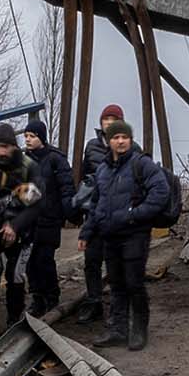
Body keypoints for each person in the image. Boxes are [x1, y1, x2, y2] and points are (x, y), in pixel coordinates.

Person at [84, 119, 168, 351]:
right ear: (108, 141)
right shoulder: (102, 170)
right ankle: (117, 330)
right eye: (115, 137)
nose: (120, 141)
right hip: (110, 236)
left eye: (124, 137)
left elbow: (160, 192)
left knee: (134, 282)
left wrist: (134, 214)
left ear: (130, 140)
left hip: (135, 235)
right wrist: (88, 230)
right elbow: (95, 203)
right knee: (116, 283)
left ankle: (139, 330)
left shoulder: (141, 164)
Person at [0, 118, 73, 322]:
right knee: (30, 262)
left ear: (41, 137)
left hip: (49, 218)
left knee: (45, 260)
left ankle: (52, 296)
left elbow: (66, 186)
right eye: (26, 136)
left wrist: (69, 211)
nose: (28, 140)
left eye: (32, 136)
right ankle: (37, 298)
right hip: (29, 221)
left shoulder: (55, 160)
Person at [71, 104, 124, 325]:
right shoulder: (91, 147)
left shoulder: (130, 147)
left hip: (118, 214)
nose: (109, 123)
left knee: (116, 262)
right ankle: (94, 303)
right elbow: (84, 175)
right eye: (106, 119)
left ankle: (117, 308)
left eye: (113, 119)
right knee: (92, 260)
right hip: (94, 212)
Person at [0, 122, 31, 323]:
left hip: (21, 231)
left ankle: (14, 317)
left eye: (6, 146)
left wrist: (15, 225)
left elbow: (33, 202)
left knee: (15, 275)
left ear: (14, 146)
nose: (2, 151)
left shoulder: (26, 167)